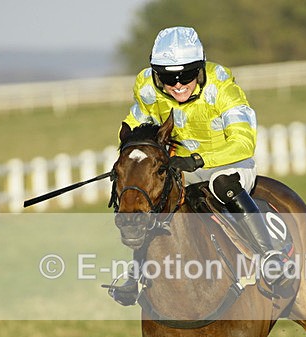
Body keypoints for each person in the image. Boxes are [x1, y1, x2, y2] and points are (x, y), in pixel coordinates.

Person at [111, 26, 293, 305]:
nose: (178, 84)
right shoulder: (147, 88)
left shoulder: (222, 89)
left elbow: (244, 143)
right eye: (168, 77)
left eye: (186, 75)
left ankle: (269, 254)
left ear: (199, 69)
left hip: (230, 165)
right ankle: (137, 274)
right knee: (150, 195)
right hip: (178, 167)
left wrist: (197, 161)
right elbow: (135, 123)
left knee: (222, 183)